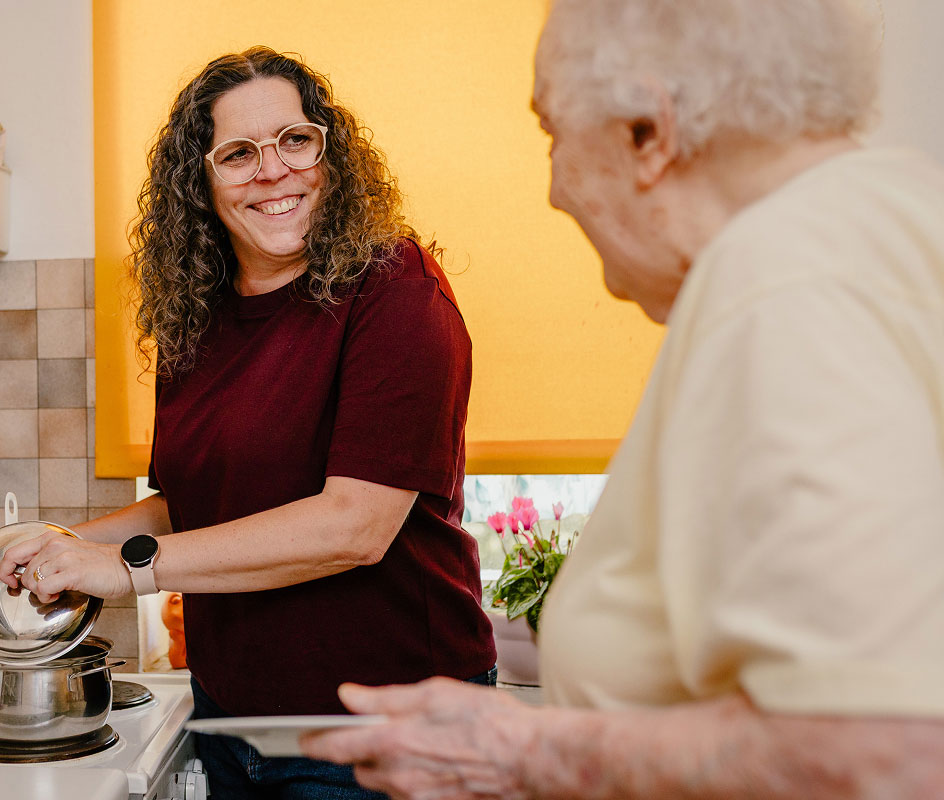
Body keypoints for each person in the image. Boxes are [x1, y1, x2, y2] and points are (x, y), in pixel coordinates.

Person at [301, 1, 944, 797]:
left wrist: (522, 752)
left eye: (552, 132)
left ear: (648, 130)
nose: (553, 190)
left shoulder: (784, 281)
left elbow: (882, 751)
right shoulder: (896, 217)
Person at [0, 47, 495, 798]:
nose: (273, 170)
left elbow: (354, 527)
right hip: (230, 718)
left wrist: (126, 570)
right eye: (237, 153)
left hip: (384, 731)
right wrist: (72, 544)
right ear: (199, 182)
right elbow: (192, 503)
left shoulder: (397, 291)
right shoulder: (195, 316)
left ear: (330, 152)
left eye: (295, 140)